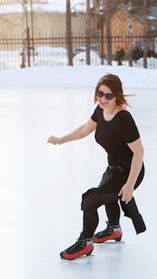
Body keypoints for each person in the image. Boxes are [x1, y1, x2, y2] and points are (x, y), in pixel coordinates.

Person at [47, 74, 146, 260]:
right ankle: (114, 230)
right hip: (113, 169)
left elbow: (139, 153)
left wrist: (130, 185)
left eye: (108, 95)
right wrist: (61, 140)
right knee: (107, 196)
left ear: (117, 96)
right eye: (100, 93)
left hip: (130, 171)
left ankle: (86, 242)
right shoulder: (101, 110)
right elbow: (85, 129)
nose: (102, 98)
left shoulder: (123, 119)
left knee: (90, 200)